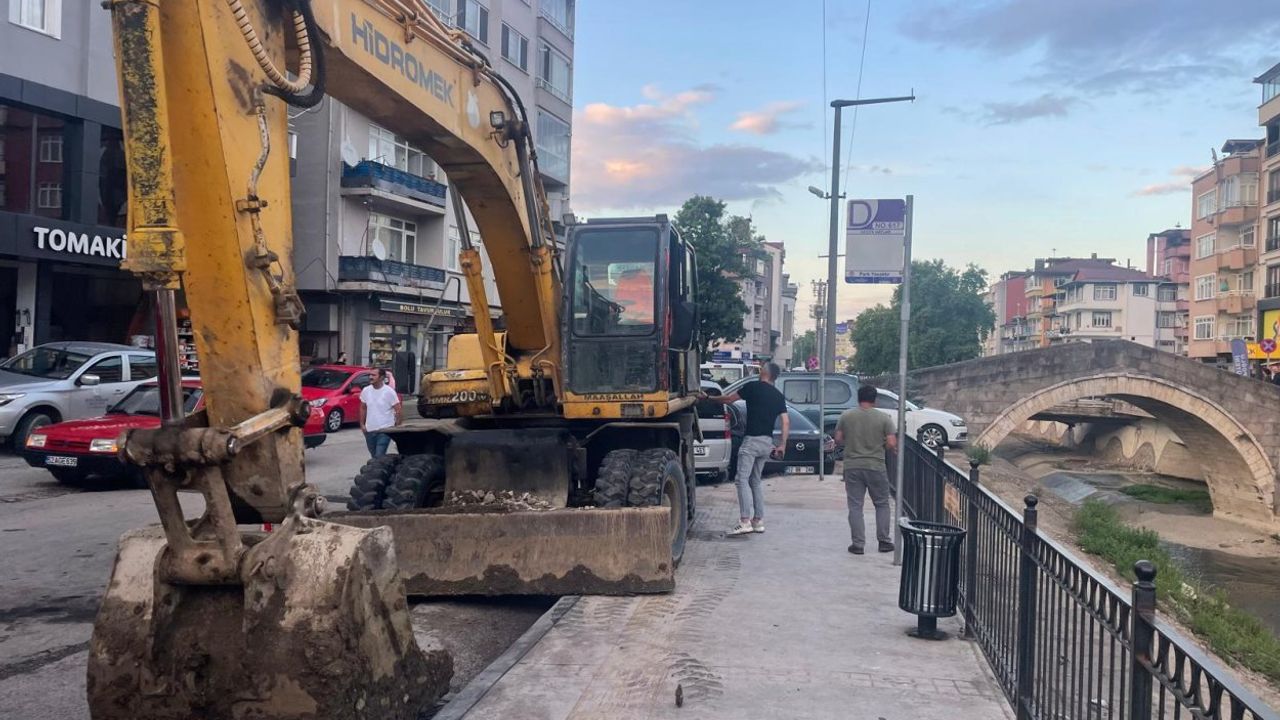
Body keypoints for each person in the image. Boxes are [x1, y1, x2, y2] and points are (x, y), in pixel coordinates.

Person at [702, 362, 788, 536]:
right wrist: (782, 444)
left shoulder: (753, 387)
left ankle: (744, 521)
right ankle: (758, 521)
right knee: (755, 481)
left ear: (764, 372)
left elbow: (728, 399)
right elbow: (786, 421)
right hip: (766, 442)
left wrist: (708, 398)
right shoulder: (778, 396)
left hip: (751, 442)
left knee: (741, 479)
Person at [834, 384, 898, 555]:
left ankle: (858, 544)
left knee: (855, 506)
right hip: (876, 466)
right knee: (882, 504)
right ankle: (884, 541)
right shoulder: (884, 418)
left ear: (858, 398)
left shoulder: (846, 416)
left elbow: (838, 439)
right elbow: (892, 443)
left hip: (853, 466)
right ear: (875, 399)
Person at [359, 368, 402, 458]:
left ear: (381, 377)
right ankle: (379, 470)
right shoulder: (366, 391)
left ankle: (377, 470)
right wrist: (362, 425)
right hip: (370, 430)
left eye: (374, 375)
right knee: (374, 455)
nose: (370, 377)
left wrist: (397, 427)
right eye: (370, 375)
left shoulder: (389, 392)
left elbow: (398, 410)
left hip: (385, 430)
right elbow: (363, 408)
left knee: (379, 455)